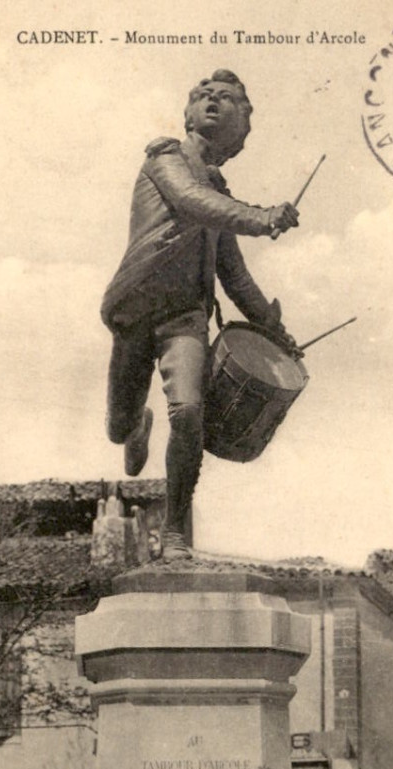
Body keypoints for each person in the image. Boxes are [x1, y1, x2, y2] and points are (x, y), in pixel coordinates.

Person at [101, 69, 301, 560]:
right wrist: (262, 217)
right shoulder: (165, 160)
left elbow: (235, 278)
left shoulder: (220, 198)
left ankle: (173, 533)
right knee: (118, 426)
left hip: (184, 319)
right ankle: (136, 428)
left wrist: (276, 332)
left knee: (189, 413)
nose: (214, 101)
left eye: (227, 99)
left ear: (240, 130)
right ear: (188, 115)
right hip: (135, 311)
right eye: (205, 96)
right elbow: (194, 203)